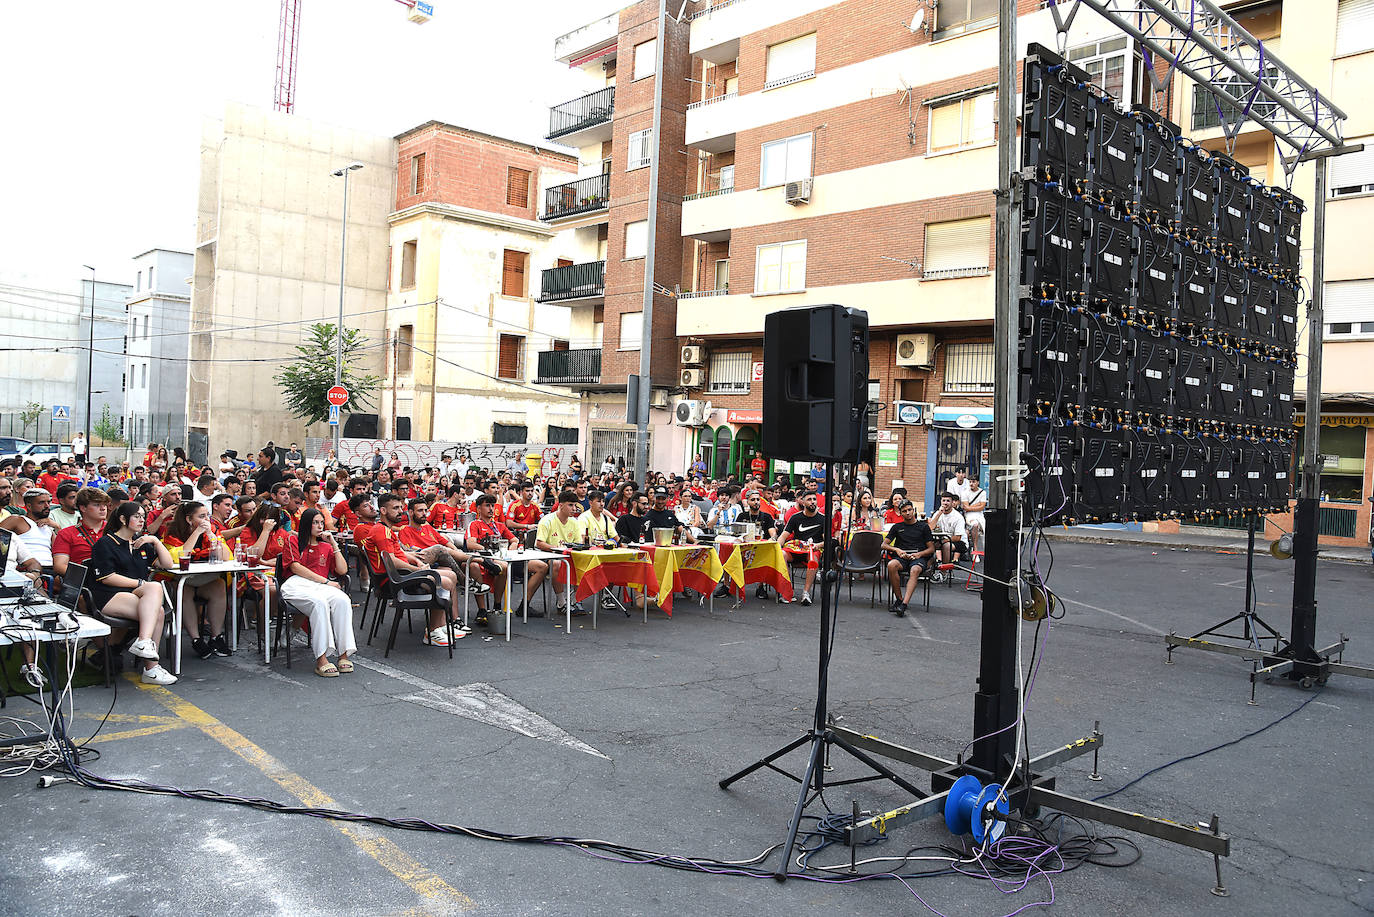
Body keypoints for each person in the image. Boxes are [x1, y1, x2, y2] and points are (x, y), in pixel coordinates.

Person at [87, 501, 178, 684]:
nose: (141, 520)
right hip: (108, 595)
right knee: (154, 591)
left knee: (158, 610)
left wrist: (155, 540)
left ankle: (146, 649)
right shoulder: (106, 543)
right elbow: (106, 577)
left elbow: (168, 565)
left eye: (143, 517)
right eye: (137, 516)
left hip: (136, 596)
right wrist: (139, 583)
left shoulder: (141, 543)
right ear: (122, 519)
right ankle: (150, 667)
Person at [280, 507, 355, 677]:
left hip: (319, 586)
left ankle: (343, 655)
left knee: (343, 600)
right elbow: (295, 567)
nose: (320, 526)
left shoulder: (325, 546)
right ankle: (321, 659)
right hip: (296, 583)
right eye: (315, 522)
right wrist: (327, 582)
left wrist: (333, 543)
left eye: (322, 522)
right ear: (307, 524)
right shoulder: (293, 539)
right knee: (319, 603)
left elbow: (342, 571)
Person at [162, 500, 233, 659]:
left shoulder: (212, 530)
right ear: (189, 519)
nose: (207, 519)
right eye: (202, 516)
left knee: (219, 585)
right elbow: (178, 557)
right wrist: (197, 533)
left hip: (204, 580)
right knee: (184, 591)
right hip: (180, 580)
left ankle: (216, 637)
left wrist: (210, 535)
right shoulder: (172, 532)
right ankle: (196, 639)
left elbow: (227, 557)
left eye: (207, 515)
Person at [470, 493, 547, 619]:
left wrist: (509, 550)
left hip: (507, 558)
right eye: (487, 506)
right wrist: (488, 550)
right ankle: (491, 607)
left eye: (492, 506)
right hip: (488, 560)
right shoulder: (475, 524)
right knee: (503, 567)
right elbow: (470, 543)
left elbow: (515, 540)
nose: (491, 509)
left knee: (542, 566)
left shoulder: (499, 525)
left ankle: (524, 605)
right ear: (478, 509)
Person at [883, 501, 935, 617]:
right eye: (904, 511)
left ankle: (904, 604)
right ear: (900, 513)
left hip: (918, 558)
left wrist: (920, 554)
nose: (908, 513)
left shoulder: (923, 527)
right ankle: (899, 599)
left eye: (910, 510)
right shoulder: (897, 527)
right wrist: (897, 550)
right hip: (902, 557)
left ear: (914, 510)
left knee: (915, 570)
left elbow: (931, 549)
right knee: (891, 565)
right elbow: (884, 545)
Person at [777, 491, 825, 605]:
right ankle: (787, 591)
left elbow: (828, 540)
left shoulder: (823, 519)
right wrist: (778, 545)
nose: (812, 502)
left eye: (814, 499)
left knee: (812, 558)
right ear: (803, 502)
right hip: (797, 549)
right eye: (809, 499)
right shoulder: (795, 517)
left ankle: (805, 594)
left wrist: (817, 545)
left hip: (813, 550)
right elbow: (784, 535)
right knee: (781, 554)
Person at [51, 487, 110, 577]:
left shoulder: (114, 529)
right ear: (83, 508)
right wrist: (89, 577)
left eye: (105, 505)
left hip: (115, 579)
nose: (103, 508)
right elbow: (60, 566)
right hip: (85, 583)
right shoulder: (66, 533)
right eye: (97, 505)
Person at [1, 488, 56, 569]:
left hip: (51, 569)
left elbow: (59, 552)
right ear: (29, 506)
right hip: (26, 569)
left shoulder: (49, 529)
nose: (47, 506)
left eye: (48, 502)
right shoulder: (17, 520)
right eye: (41, 502)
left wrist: (57, 527)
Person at [928, 492, 968, 571]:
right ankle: (927, 569)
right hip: (942, 540)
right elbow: (930, 528)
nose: (945, 503)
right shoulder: (938, 513)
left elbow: (957, 537)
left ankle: (944, 572)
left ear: (952, 503)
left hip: (960, 542)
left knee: (946, 545)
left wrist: (944, 541)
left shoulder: (958, 517)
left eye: (948, 501)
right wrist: (939, 513)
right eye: (943, 501)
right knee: (928, 545)